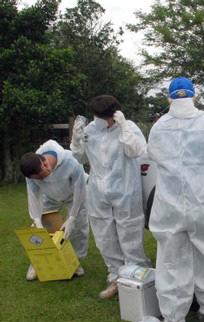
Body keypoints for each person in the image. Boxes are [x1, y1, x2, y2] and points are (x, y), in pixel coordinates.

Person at [147, 76, 204, 322]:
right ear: (194, 96)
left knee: (172, 261)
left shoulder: (159, 127)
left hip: (170, 204)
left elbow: (153, 155)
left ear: (170, 98)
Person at [71, 95, 151, 299]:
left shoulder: (128, 127)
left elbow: (137, 151)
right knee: (103, 234)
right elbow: (79, 158)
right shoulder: (90, 131)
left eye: (108, 119)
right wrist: (76, 140)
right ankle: (115, 276)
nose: (104, 123)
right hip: (98, 189)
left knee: (129, 231)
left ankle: (137, 276)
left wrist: (123, 128)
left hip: (125, 188)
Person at [20, 140, 89, 280]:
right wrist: (37, 219)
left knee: (78, 227)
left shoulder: (72, 162)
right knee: (44, 228)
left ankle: (74, 262)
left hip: (74, 195)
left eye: (42, 176)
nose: (40, 180)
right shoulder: (31, 172)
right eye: (37, 179)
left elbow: (80, 190)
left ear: (45, 163)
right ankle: (37, 263)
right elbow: (33, 196)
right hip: (49, 197)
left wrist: (72, 218)